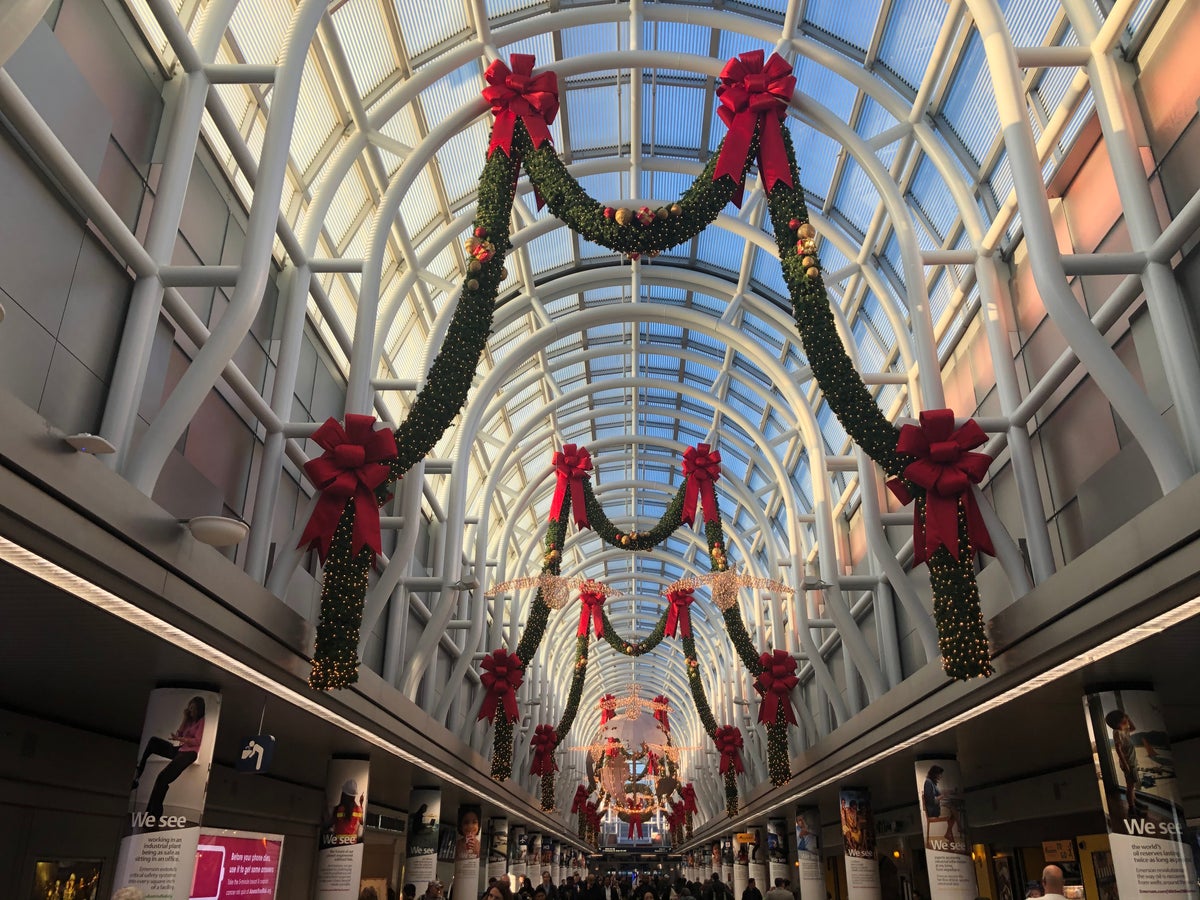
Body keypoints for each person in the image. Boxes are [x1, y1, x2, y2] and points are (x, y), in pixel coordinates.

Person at [131, 695, 206, 819]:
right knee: (153, 741)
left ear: (199, 709)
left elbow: (197, 741)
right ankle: (138, 774)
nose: (190, 711)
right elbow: (179, 733)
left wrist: (180, 739)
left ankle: (154, 815)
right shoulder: (189, 720)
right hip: (180, 750)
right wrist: (184, 718)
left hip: (189, 754)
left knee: (162, 778)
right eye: (189, 708)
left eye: (193, 709)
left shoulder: (201, 720)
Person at [1105, 709, 1146, 815]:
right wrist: (1126, 764)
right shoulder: (1118, 732)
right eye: (1124, 718)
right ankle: (1132, 808)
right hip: (1128, 763)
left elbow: (1133, 728)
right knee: (1130, 786)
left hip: (1131, 762)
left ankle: (1134, 801)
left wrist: (1127, 717)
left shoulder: (1123, 729)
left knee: (1131, 786)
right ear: (1118, 722)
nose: (1126, 719)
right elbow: (1118, 749)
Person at [921, 765, 961, 843]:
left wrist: (949, 792)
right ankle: (958, 827)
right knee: (952, 808)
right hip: (933, 811)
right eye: (940, 774)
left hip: (935, 807)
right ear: (935, 774)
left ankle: (949, 832)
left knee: (952, 808)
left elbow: (939, 793)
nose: (941, 776)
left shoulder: (933, 783)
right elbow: (931, 801)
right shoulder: (928, 783)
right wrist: (944, 795)